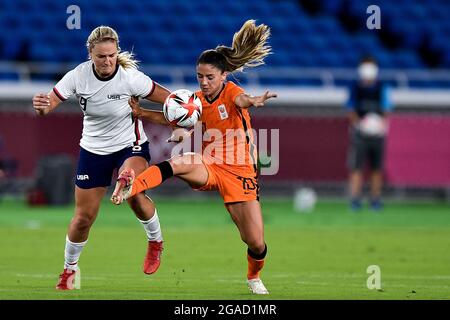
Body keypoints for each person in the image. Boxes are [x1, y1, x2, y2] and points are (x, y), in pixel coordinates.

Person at [111, 20, 277, 294]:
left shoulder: (232, 93)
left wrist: (255, 100)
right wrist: (143, 114)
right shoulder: (196, 101)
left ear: (224, 75)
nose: (204, 81)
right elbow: (174, 117)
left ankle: (253, 276)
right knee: (179, 162)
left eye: (210, 77)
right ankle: (132, 187)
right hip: (210, 164)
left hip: (240, 172)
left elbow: (243, 101)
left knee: (255, 241)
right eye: (200, 76)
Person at [32, 26, 172, 290]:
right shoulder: (78, 76)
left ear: (117, 52)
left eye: (111, 55)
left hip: (130, 146)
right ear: (90, 55)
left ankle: (155, 242)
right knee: (83, 217)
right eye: (101, 56)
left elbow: (169, 99)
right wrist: (41, 107)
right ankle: (69, 271)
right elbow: (49, 104)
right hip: (93, 150)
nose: (107, 61)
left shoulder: (131, 78)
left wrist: (185, 109)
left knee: (136, 195)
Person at [346, 56, 392, 211]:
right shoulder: (355, 87)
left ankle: (375, 200)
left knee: (376, 168)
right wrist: (359, 124)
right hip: (360, 134)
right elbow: (350, 109)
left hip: (378, 134)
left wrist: (381, 125)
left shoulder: (382, 87)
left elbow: (386, 109)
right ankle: (355, 200)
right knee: (356, 168)